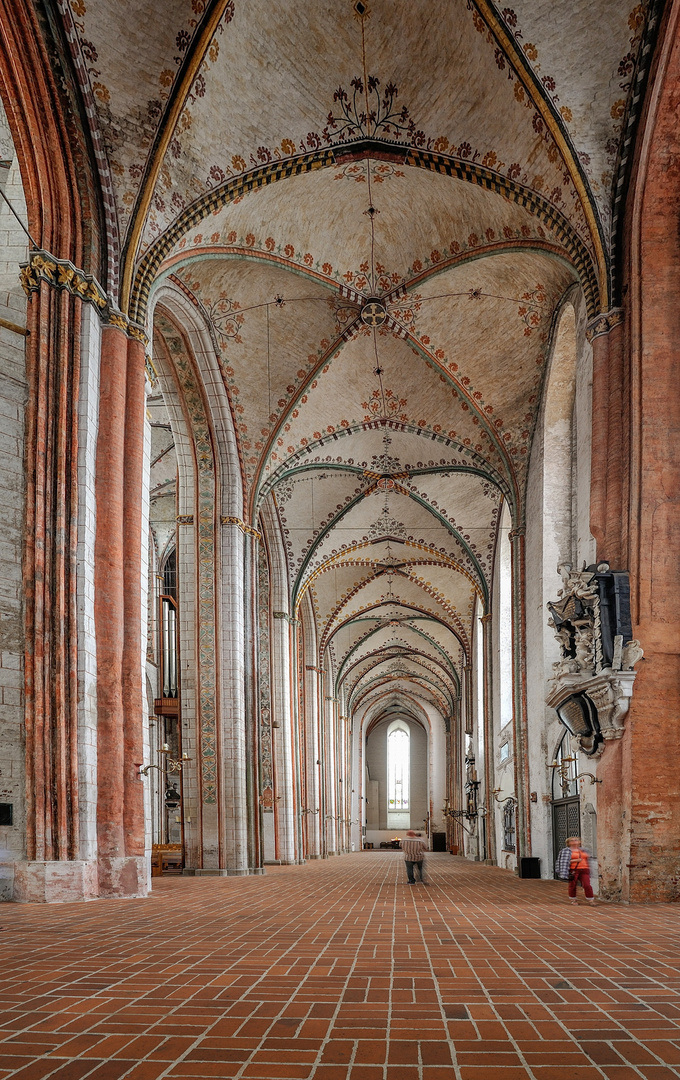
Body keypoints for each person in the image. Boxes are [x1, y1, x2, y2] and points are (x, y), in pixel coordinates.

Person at [555, 836, 596, 905]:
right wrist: (575, 860)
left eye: (576, 840)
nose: (574, 841)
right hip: (573, 870)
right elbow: (562, 861)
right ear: (569, 843)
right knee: (573, 885)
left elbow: (588, 859)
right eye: (572, 840)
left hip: (584, 869)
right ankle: (573, 899)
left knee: (587, 885)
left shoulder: (584, 850)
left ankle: (590, 900)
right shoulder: (565, 851)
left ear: (579, 842)